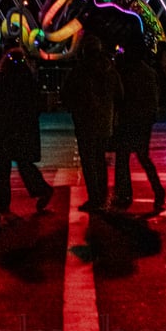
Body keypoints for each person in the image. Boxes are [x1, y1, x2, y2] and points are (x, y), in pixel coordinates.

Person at [61, 33, 123, 212]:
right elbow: (120, 94)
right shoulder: (110, 69)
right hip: (105, 120)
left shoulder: (79, 70)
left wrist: (73, 107)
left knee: (88, 162)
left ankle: (94, 198)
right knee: (100, 160)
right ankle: (102, 196)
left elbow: (67, 93)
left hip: (85, 121)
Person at [0, 46, 54, 215]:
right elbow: (37, 105)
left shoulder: (3, 79)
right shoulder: (28, 80)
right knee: (24, 163)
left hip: (7, 128)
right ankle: (41, 188)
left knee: (3, 165)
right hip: (23, 128)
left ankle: (2, 202)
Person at [111, 43, 166, 213]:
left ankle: (124, 193)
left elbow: (121, 96)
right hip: (144, 120)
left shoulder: (127, 73)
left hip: (130, 119)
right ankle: (157, 190)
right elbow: (154, 97)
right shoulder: (149, 73)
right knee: (143, 157)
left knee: (123, 156)